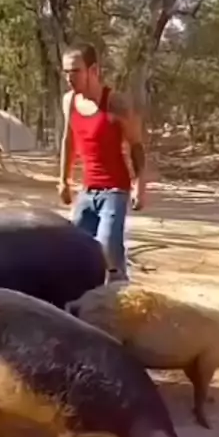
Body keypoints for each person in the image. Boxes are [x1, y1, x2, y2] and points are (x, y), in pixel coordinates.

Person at [57, 42, 146, 282]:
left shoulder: (116, 103)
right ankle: (85, 296)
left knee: (107, 249)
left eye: (76, 71)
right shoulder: (69, 101)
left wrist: (140, 185)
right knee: (75, 248)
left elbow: (136, 144)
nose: (70, 78)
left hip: (115, 190)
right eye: (66, 72)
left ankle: (120, 293)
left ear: (93, 70)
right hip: (88, 191)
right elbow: (68, 140)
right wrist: (64, 180)